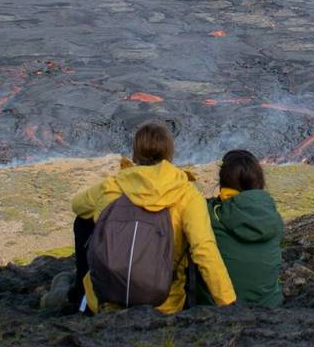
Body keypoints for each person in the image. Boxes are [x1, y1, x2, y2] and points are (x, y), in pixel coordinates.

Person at [67, 122, 236, 314]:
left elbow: (77, 205)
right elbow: (204, 249)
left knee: (83, 221)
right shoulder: (186, 194)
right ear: (169, 155)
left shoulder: (114, 185)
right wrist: (229, 304)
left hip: (106, 300)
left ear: (135, 154)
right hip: (164, 304)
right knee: (193, 239)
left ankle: (81, 294)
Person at [194, 150, 284, 307]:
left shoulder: (208, 214)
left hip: (216, 309)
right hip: (270, 306)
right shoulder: (274, 218)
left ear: (223, 184)